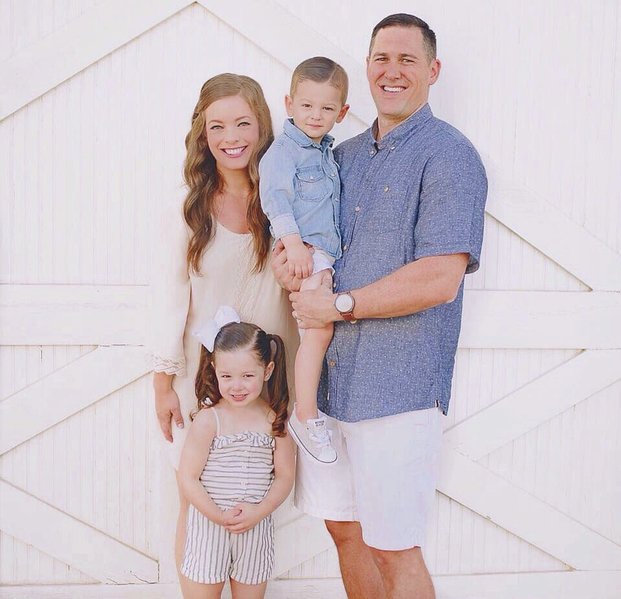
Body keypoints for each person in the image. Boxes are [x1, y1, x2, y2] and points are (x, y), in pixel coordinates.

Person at [274, 13, 487, 599]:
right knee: (345, 532)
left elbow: (440, 277)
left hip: (398, 389)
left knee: (394, 546)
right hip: (331, 390)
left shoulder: (449, 157)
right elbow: (308, 244)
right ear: (367, 67)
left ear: (433, 71)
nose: (391, 72)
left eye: (407, 60)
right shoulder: (337, 156)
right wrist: (286, 261)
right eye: (381, 59)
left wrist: (338, 306)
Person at [150, 74, 297, 594]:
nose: (230, 136)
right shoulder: (190, 207)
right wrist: (164, 380)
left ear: (262, 126)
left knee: (258, 494)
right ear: (202, 134)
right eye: (217, 126)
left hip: (268, 381)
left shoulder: (286, 203)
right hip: (204, 380)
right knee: (194, 505)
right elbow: (172, 297)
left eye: (242, 123)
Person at [259, 57, 349, 464]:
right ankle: (306, 414)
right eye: (307, 106)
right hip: (304, 254)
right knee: (318, 331)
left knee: (321, 332)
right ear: (289, 104)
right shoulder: (284, 152)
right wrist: (293, 245)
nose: (316, 115)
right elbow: (275, 200)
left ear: (342, 113)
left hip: (323, 256)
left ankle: (310, 411)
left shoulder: (325, 153)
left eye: (327, 108)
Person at [177, 306, 295, 599]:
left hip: (255, 528)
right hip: (209, 527)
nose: (237, 386)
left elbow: (284, 477)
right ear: (215, 370)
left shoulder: (274, 419)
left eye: (247, 375)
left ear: (267, 371)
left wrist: (260, 512)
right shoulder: (209, 420)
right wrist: (217, 516)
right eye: (227, 376)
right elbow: (188, 478)